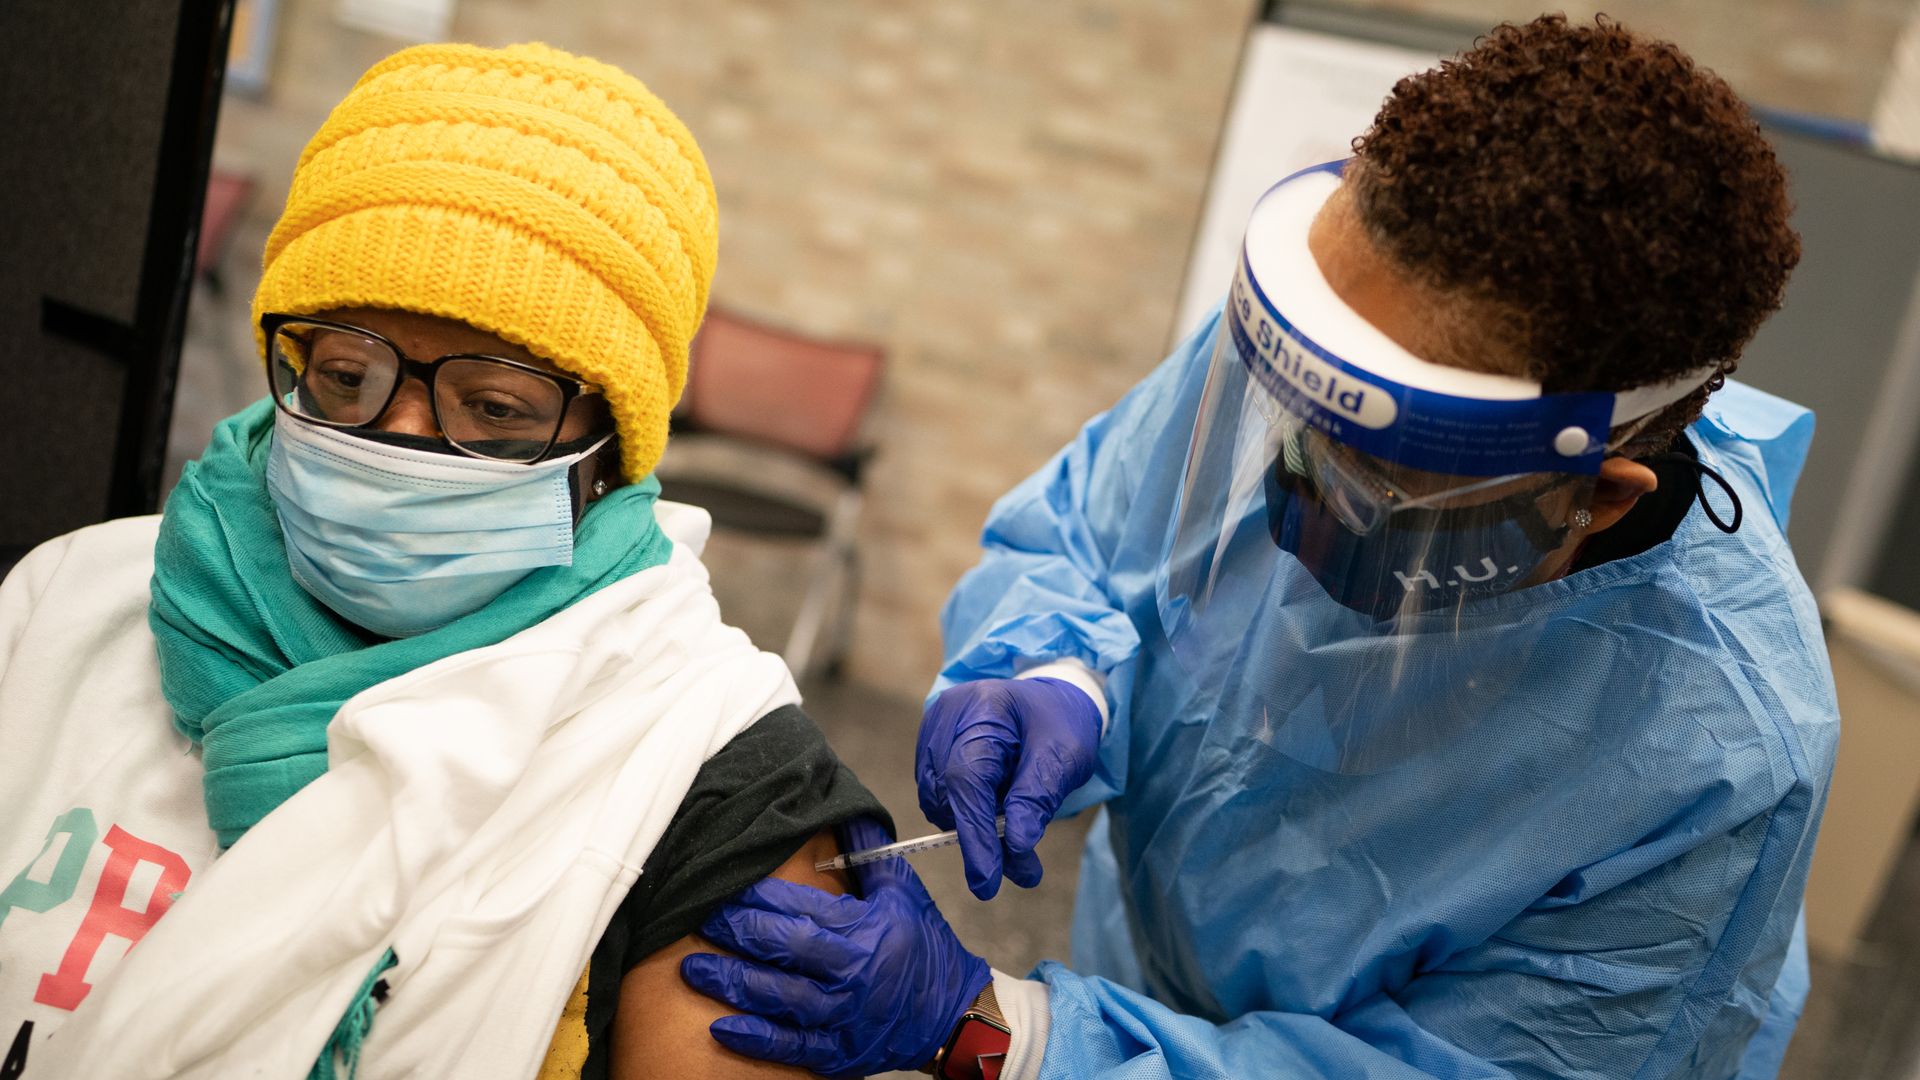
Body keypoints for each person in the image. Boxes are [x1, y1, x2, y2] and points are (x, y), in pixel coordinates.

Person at [681, 16, 1838, 1080]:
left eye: (1367, 475)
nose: (1286, 479)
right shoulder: (1337, 356)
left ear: (1592, 495)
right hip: (1133, 973)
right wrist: (1055, 668)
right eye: (1287, 424)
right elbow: (1094, 532)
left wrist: (1010, 1032)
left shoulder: (1719, 770)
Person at [0, 42, 889, 1079]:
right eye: (345, 373)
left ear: (609, 449)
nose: (401, 440)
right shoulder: (71, 601)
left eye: (496, 406)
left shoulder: (706, 773)